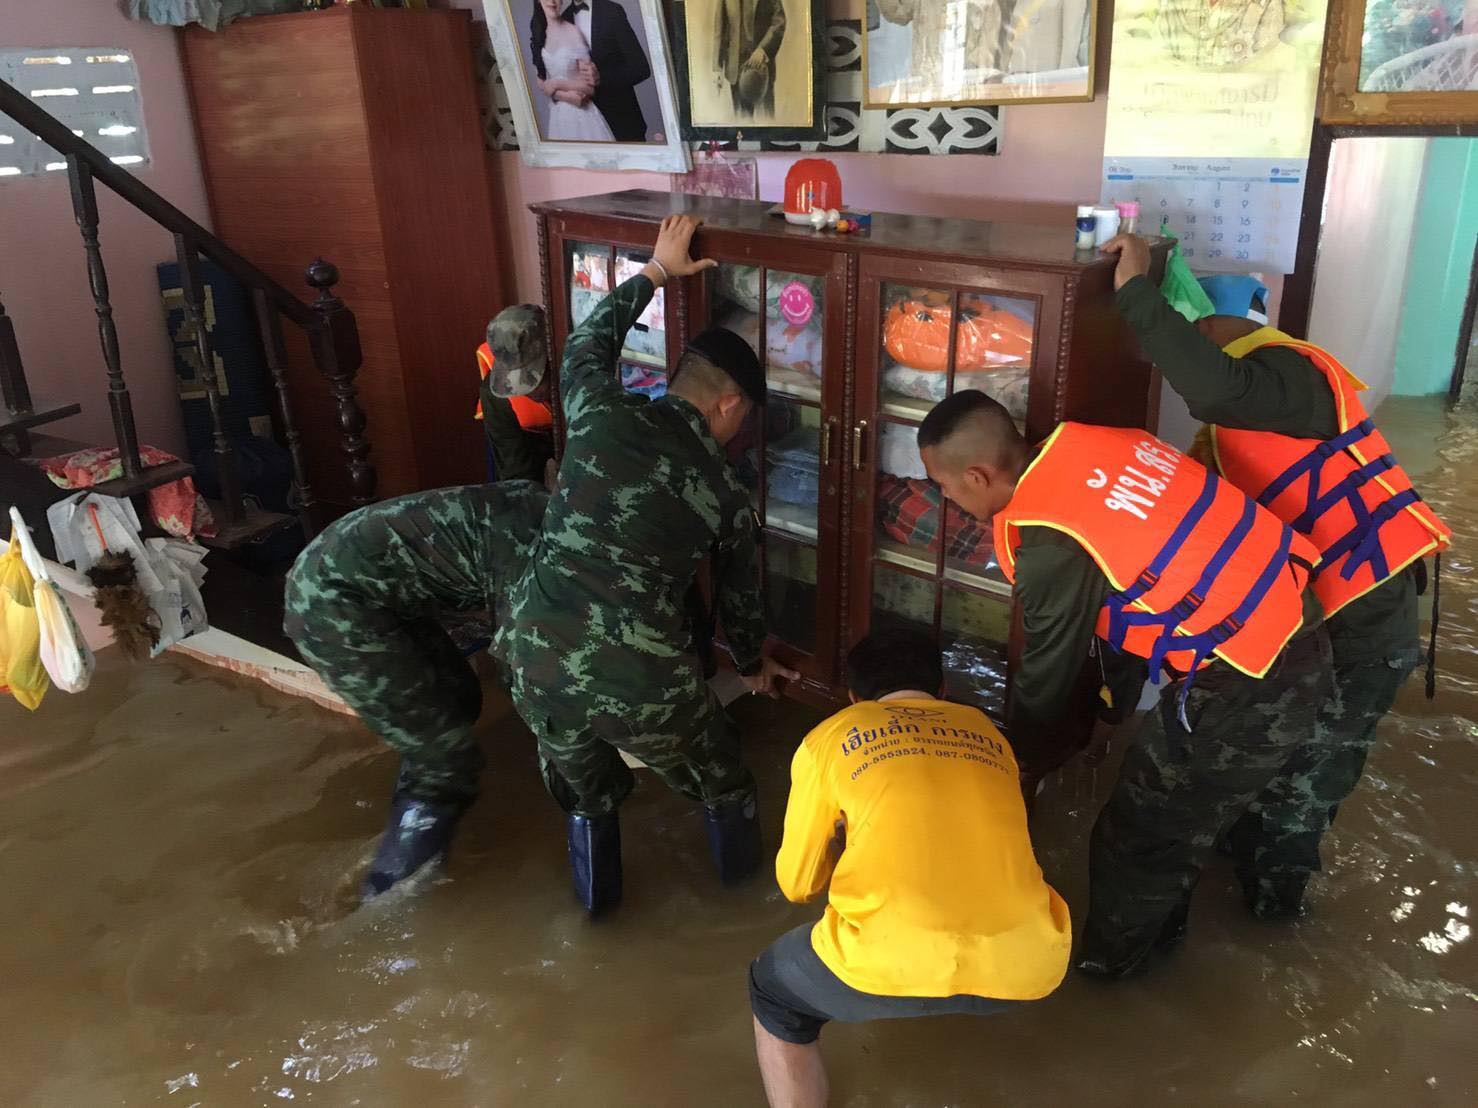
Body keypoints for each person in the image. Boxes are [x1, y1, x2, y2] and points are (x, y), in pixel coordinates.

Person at [916, 391, 1333, 978]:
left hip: (1251, 679)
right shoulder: (1099, 445)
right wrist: (1113, 712)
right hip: (1294, 621)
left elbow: (1048, 670)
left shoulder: (1049, 534)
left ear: (978, 475)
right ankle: (1226, 927)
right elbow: (1138, 585)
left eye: (944, 485)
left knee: (1135, 834)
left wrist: (1013, 772)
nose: (946, 498)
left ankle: (1109, 978)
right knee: (1200, 814)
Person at [1102, 233, 1452, 919]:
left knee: (1308, 782)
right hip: (1315, 620)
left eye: (1191, 335)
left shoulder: (1293, 377)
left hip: (1364, 625)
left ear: (1213, 328)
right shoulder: (1251, 412)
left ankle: (1276, 915)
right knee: (1265, 763)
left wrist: (1135, 292)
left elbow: (1210, 383)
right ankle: (1246, 887)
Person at [498, 214, 798, 917]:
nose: (739, 430)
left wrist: (657, 271)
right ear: (728, 403)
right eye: (742, 418)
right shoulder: (724, 493)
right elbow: (740, 598)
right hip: (640, 674)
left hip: (528, 647)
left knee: (587, 790)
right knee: (723, 777)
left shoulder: (600, 412)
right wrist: (754, 666)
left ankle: (599, 919)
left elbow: (585, 343)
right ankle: (737, 904)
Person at [749, 629, 1071, 1108]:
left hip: (883, 961)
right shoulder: (989, 734)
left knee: (772, 993)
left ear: (855, 697)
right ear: (942, 691)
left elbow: (797, 884)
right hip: (1031, 965)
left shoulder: (831, 737)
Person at [283, 475, 550, 899]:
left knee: (457, 699)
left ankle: (422, 815)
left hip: (364, 589)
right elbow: (519, 665)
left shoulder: (532, 500)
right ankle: (389, 898)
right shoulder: (530, 544)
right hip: (332, 609)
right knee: (447, 760)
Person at [474, 307, 556, 487]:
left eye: (534, 375)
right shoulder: (495, 396)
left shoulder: (583, 369)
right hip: (534, 445)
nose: (529, 391)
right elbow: (518, 478)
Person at [552, 0, 653, 142]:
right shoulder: (564, 19)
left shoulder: (612, 11)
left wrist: (602, 78)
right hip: (585, 127)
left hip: (622, 121)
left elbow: (641, 68)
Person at [530, 0, 615, 142]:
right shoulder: (539, 33)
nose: (552, 1)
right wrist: (565, 97)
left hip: (582, 116)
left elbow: (590, 87)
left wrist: (557, 84)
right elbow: (542, 83)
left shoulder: (573, 32)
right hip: (558, 117)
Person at [713, 0, 787, 117]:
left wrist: (762, 50)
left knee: (766, 123)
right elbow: (719, 29)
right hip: (735, 69)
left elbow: (779, 22)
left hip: (762, 69)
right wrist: (717, 67)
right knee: (742, 124)